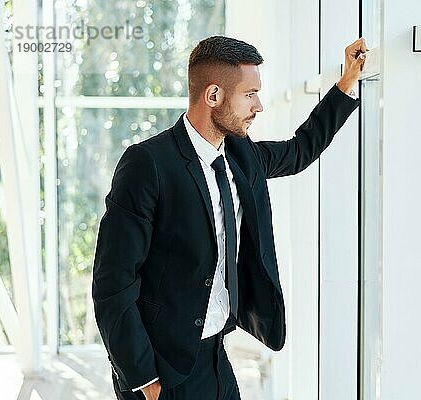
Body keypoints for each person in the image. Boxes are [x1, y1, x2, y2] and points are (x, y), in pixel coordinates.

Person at [92, 35, 366, 400]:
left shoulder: (242, 155)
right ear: (213, 96)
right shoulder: (148, 164)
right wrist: (143, 378)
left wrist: (346, 82)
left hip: (215, 356)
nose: (259, 106)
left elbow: (300, 150)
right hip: (162, 366)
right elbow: (113, 282)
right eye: (250, 94)